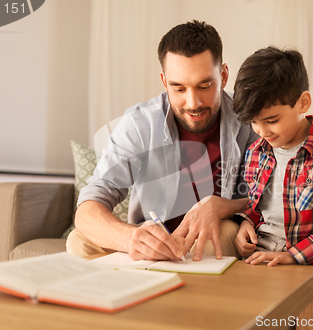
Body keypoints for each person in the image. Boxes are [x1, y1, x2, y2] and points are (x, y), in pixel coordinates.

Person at [67, 20, 258, 262]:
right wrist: (132, 239)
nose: (193, 103)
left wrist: (222, 206)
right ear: (164, 81)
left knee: (225, 233)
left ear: (223, 75)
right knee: (79, 240)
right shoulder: (140, 124)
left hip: (211, 238)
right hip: (151, 241)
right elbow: (88, 206)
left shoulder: (250, 122)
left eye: (204, 86)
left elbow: (264, 196)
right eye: (179, 88)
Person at [232, 46, 313, 298]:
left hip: (309, 264)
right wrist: (245, 223)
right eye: (253, 122)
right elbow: (257, 205)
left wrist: (293, 257)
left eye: (271, 120)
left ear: (302, 102)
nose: (262, 131)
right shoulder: (256, 152)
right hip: (258, 259)